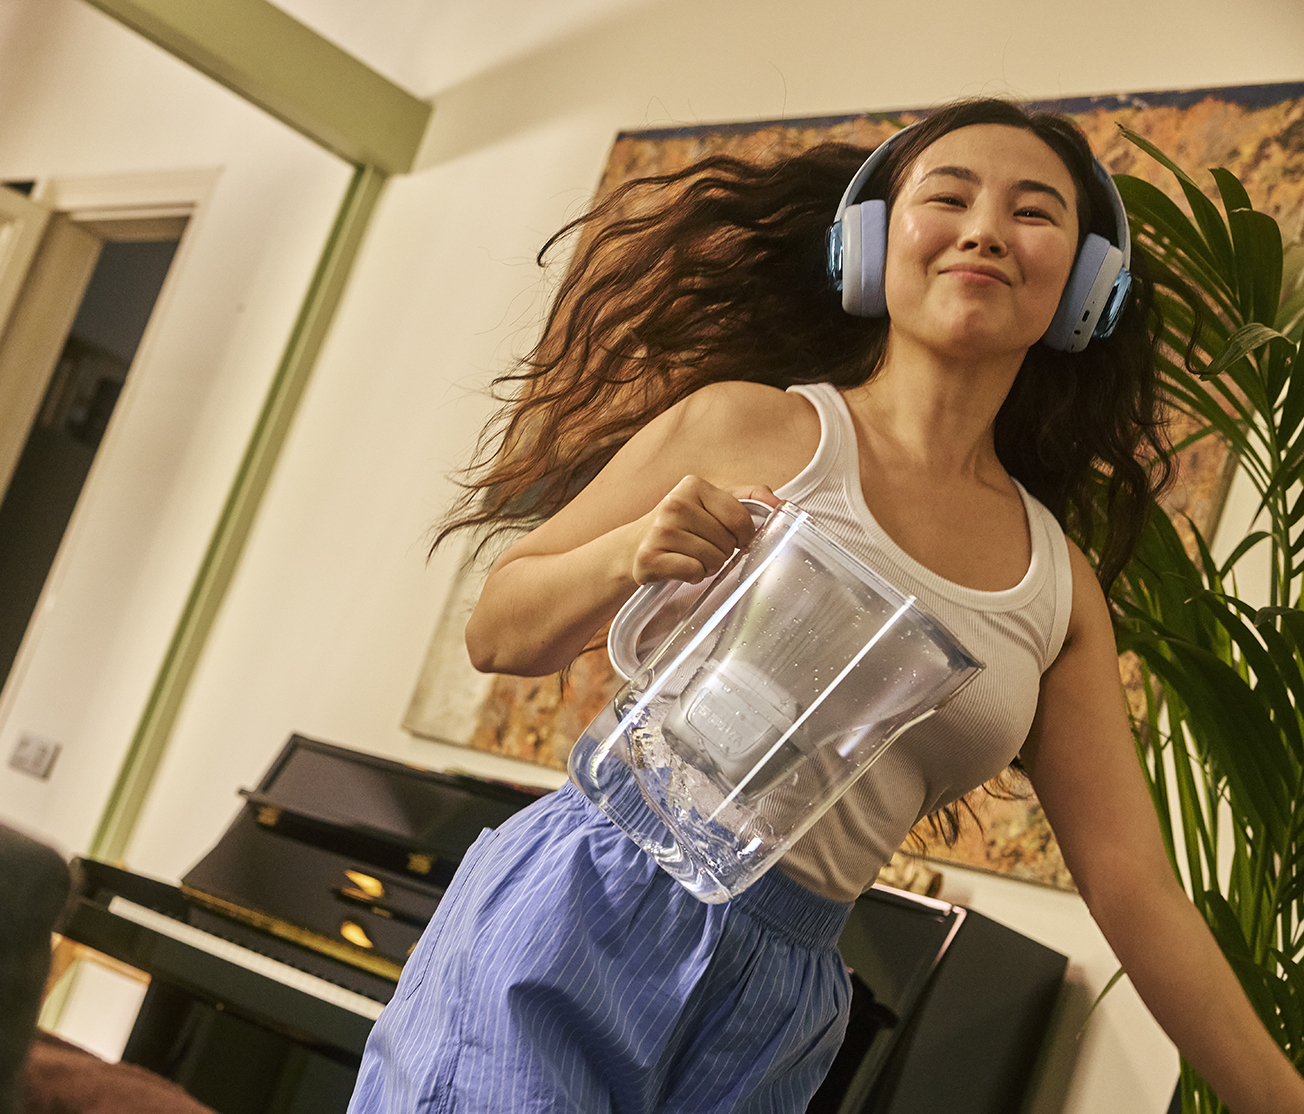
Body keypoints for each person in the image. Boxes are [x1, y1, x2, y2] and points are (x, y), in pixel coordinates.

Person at [347, 99, 1304, 1113]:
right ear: (871, 244)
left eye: (1033, 212)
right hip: (592, 898)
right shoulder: (746, 423)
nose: (983, 229)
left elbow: (1132, 888)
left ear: (1084, 289)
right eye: (948, 197)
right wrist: (629, 554)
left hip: (784, 989)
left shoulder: (1056, 588)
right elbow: (497, 632)